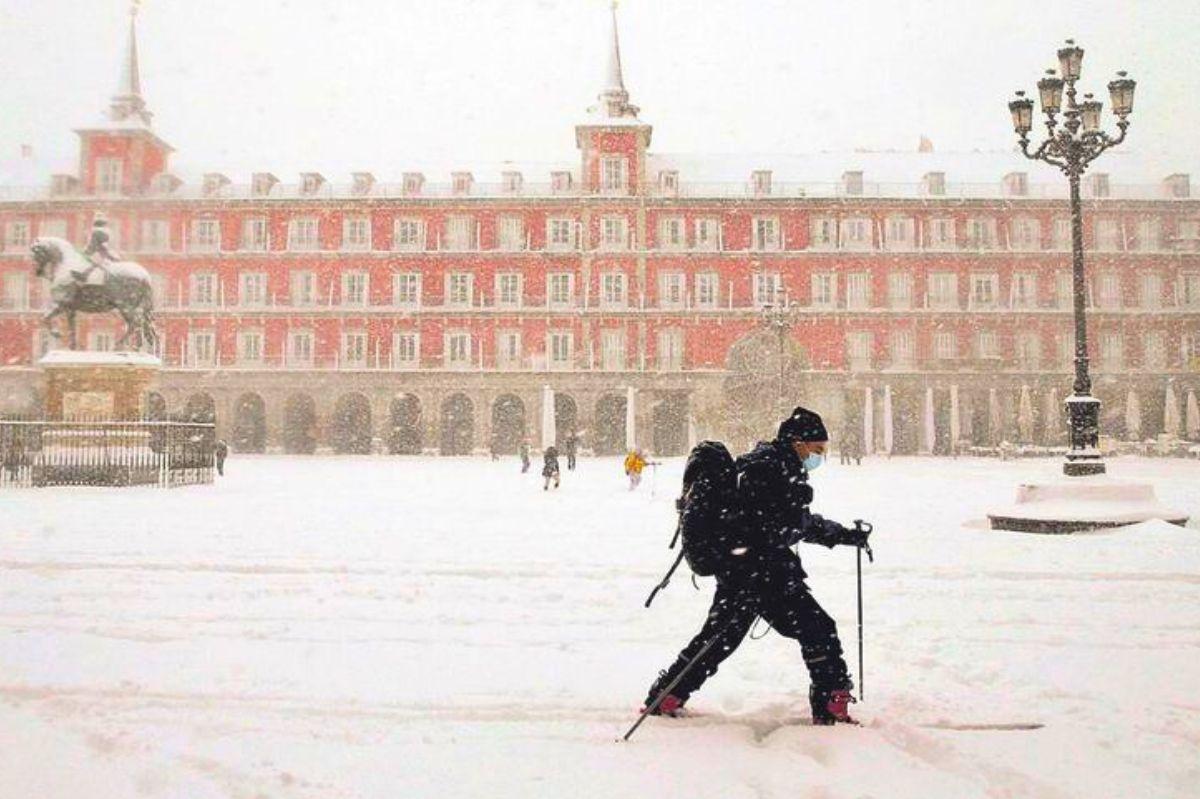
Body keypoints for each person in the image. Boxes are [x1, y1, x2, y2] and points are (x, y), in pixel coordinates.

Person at [642, 406, 870, 726]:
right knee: (817, 629)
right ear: (798, 443)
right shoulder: (773, 469)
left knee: (720, 638)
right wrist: (830, 532)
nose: (819, 456)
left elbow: (785, 523)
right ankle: (832, 702)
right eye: (817, 449)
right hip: (762, 572)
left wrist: (839, 534)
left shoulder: (769, 464)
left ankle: (668, 695)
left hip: (745, 568)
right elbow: (782, 527)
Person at [73, 216, 120, 283]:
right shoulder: (107, 232)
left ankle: (83, 275)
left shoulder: (97, 232)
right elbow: (104, 245)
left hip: (100, 253)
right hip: (108, 253)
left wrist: (86, 253)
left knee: (86, 262)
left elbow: (93, 245)